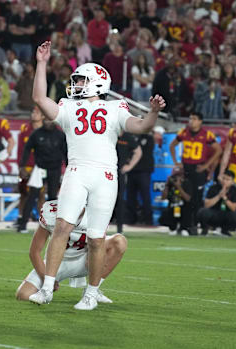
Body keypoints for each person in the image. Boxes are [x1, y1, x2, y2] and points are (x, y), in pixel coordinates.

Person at [29, 41, 165, 310]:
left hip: (104, 176)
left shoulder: (116, 108)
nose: (76, 85)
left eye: (80, 80)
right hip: (77, 171)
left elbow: (141, 127)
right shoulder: (69, 106)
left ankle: (91, 293)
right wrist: (41, 64)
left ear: (96, 82)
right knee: (63, 227)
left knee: (96, 238)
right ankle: (47, 288)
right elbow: (39, 99)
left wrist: (154, 113)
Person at [16, 200, 127, 302]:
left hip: (86, 260)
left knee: (119, 241)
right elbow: (34, 251)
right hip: (55, 263)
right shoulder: (51, 211)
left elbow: (98, 246)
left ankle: (93, 290)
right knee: (24, 295)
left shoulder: (96, 213)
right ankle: (47, 289)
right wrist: (46, 278)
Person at [169, 112, 222, 235]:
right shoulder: (183, 132)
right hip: (186, 168)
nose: (191, 121)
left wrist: (206, 166)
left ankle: (200, 225)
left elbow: (218, 150)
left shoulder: (206, 134)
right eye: (190, 118)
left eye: (194, 119)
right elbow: (172, 145)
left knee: (197, 199)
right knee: (186, 197)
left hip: (198, 169)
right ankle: (187, 225)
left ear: (200, 121)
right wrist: (176, 162)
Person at [17, 118, 66, 233]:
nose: (48, 122)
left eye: (50, 120)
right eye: (46, 120)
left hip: (55, 169)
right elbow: (27, 149)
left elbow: (66, 152)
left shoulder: (60, 135)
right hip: (39, 169)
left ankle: (53, 227)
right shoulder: (36, 134)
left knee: (53, 198)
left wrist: (69, 167)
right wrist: (22, 166)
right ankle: (22, 225)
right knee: (32, 195)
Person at [16, 107, 44, 230]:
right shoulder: (25, 129)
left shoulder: (48, 130)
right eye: (33, 111)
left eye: (37, 112)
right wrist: (20, 166)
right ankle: (21, 217)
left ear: (43, 116)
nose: (34, 114)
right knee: (24, 193)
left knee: (42, 194)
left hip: (42, 166)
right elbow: (20, 150)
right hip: (27, 166)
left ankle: (42, 220)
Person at [198, 170, 236, 236]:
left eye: (227, 180)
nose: (224, 181)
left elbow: (234, 208)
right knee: (202, 212)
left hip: (226, 214)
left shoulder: (235, 190)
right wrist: (218, 196)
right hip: (214, 214)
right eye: (223, 178)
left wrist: (225, 198)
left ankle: (225, 230)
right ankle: (205, 229)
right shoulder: (213, 188)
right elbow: (206, 205)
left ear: (232, 182)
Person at [127, 131, 154, 225]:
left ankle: (148, 220)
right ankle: (131, 219)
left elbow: (145, 152)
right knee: (130, 196)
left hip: (144, 171)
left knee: (145, 196)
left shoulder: (148, 138)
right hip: (131, 170)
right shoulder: (130, 136)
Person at [116, 132, 141, 232]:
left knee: (119, 199)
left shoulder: (127, 137)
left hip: (119, 171)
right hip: (105, 169)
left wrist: (129, 166)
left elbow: (138, 152)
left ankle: (119, 227)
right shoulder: (109, 133)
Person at [159, 166, 193, 236]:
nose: (176, 178)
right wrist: (167, 185)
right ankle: (173, 228)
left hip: (183, 208)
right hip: (173, 207)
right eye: (175, 176)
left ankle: (184, 228)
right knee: (166, 212)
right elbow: (163, 198)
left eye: (178, 176)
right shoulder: (170, 184)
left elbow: (188, 199)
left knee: (188, 210)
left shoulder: (187, 183)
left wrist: (179, 187)